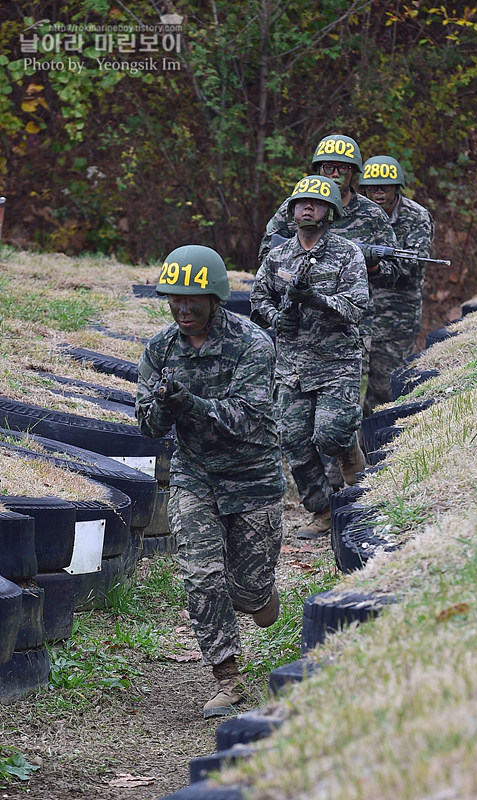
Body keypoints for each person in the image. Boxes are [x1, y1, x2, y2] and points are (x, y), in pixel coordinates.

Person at [135, 244, 285, 719]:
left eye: (192, 300)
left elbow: (248, 417)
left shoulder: (252, 344)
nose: (182, 308)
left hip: (253, 478)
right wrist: (164, 404)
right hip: (195, 477)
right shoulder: (159, 349)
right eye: (174, 299)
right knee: (201, 576)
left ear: (215, 298)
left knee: (248, 594)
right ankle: (228, 678)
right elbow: (148, 426)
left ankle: (259, 593)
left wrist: (191, 404)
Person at [251, 175, 369, 539]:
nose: (307, 207)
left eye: (315, 204)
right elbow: (258, 300)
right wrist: (276, 317)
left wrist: (315, 298)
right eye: (301, 203)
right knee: (295, 444)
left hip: (337, 365)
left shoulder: (347, 254)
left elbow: (355, 308)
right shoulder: (278, 255)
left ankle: (356, 474)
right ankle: (321, 510)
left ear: (329, 212)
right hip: (292, 370)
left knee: (331, 436)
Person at [358, 155, 435, 414]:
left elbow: (409, 267)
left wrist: (372, 263)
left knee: (383, 390)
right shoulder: (353, 214)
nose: (378, 193)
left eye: (385, 187)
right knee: (343, 389)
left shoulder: (417, 217)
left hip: (396, 315)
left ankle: (374, 450)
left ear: (397, 188)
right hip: (354, 311)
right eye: (372, 187)